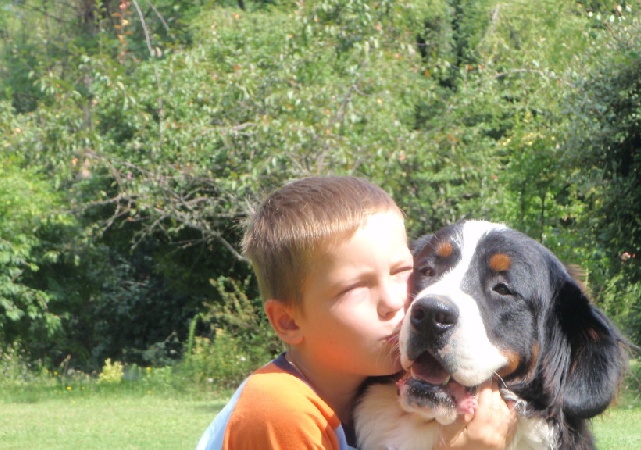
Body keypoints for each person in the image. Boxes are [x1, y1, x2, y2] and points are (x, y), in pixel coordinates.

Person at [197, 176, 515, 450]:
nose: (394, 301)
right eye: (355, 287)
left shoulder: (350, 404)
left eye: (402, 271)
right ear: (288, 321)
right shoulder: (280, 409)